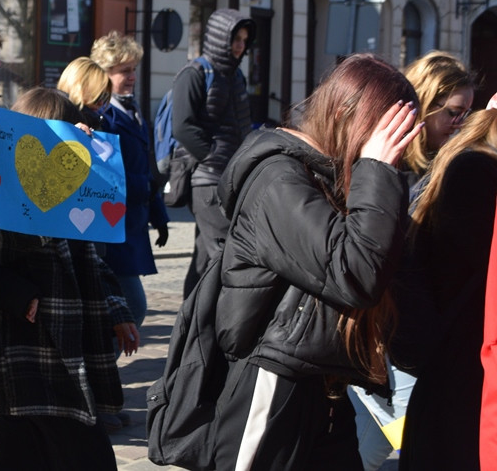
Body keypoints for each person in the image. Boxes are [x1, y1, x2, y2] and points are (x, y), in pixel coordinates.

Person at [212, 53, 422, 470]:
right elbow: (355, 273)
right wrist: (377, 168)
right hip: (275, 381)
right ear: (345, 115)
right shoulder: (277, 180)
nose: (393, 149)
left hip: (326, 383)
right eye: (386, 132)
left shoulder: (331, 174)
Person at [0, 87, 138, 471]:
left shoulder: (69, 190)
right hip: (28, 339)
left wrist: (118, 310)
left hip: (67, 334)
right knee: (81, 453)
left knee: (22, 450)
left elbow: (91, 259)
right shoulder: (4, 185)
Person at [348, 49, 474, 470]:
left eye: (468, 114)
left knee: (368, 451)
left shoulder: (445, 163)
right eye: (453, 113)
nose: (460, 124)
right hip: (394, 341)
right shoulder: (391, 169)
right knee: (422, 445)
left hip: (414, 340)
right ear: (425, 105)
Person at [395, 110, 497, 471]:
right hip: (462, 370)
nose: (457, 119)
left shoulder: (471, 163)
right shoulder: (476, 170)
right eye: (453, 110)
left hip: (460, 368)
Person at [90, 30, 168, 431]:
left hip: (131, 225)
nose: (130, 76)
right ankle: (94, 395)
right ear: (103, 73)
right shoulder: (103, 115)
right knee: (129, 308)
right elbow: (109, 174)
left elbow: (147, 167)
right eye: (122, 70)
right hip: (111, 226)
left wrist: (160, 213)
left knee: (124, 311)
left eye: (133, 68)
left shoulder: (132, 110)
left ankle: (100, 395)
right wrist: (145, 189)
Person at [172, 8, 254, 298]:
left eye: (244, 40)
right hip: (206, 180)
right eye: (235, 39)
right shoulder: (194, 73)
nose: (240, 46)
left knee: (205, 259)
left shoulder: (236, 76)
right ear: (221, 38)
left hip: (231, 178)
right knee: (225, 253)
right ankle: (215, 319)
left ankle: (191, 318)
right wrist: (210, 156)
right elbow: (182, 126)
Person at [57, 56, 112, 130]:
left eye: (104, 97)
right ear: (78, 88)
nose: (101, 103)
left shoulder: (95, 121)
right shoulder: (55, 114)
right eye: (96, 97)